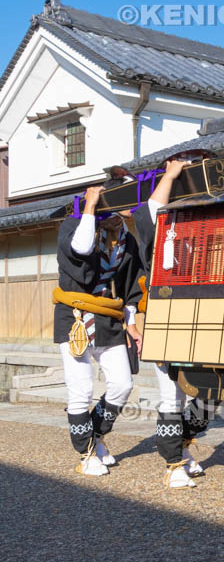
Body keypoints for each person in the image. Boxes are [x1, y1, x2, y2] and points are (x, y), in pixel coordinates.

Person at [54, 180, 144, 476]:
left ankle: (97, 435)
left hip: (108, 317)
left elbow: (131, 284)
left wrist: (131, 323)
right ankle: (86, 453)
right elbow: (80, 250)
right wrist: (90, 208)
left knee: (122, 384)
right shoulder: (74, 224)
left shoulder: (127, 237)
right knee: (81, 389)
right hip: (75, 316)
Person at [132, 156, 211, 488]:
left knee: (208, 395)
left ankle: (183, 445)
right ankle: (173, 463)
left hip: (200, 318)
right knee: (171, 395)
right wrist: (172, 174)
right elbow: (152, 211)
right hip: (165, 319)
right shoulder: (158, 237)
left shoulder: (201, 231)